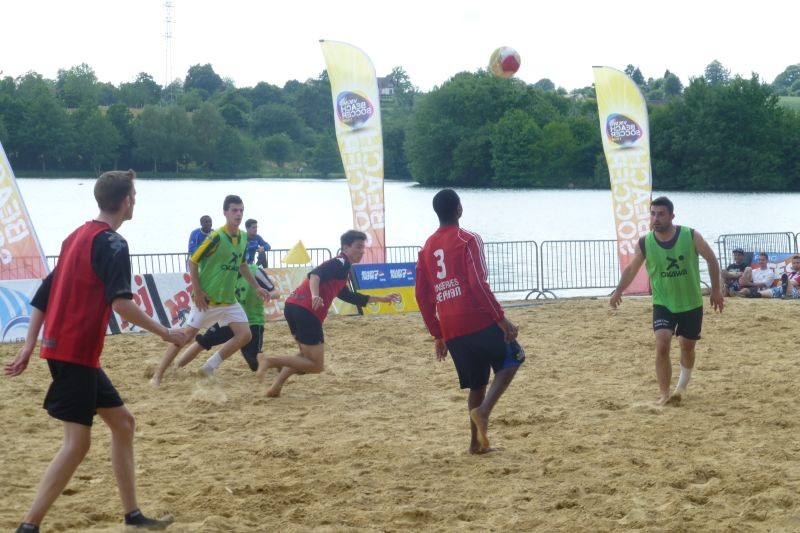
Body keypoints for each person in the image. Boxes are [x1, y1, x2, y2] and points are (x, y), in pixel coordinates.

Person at [4, 170, 187, 533]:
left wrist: (31, 344)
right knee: (76, 445)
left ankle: (133, 515)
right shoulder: (114, 245)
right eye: (134, 195)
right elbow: (121, 304)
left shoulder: (77, 236)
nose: (135, 200)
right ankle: (29, 525)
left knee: (123, 423)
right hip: (74, 353)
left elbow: (42, 294)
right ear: (127, 201)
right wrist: (166, 332)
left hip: (71, 352)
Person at [415, 189, 524, 455]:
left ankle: (476, 444)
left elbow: (422, 294)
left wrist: (438, 333)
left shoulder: (426, 247)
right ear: (459, 209)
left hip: (451, 326)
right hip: (475, 317)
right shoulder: (467, 239)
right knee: (514, 357)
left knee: (477, 382)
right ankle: (484, 412)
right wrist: (500, 317)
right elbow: (477, 283)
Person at [255, 230, 400, 397]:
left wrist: (382, 299)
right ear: (345, 247)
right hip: (307, 310)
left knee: (304, 356)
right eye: (358, 247)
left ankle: (276, 387)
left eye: (363, 247)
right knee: (316, 365)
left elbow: (351, 297)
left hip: (293, 307)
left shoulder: (342, 271)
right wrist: (315, 295)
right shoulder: (340, 262)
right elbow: (315, 275)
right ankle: (269, 360)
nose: (362, 251)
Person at [610, 196, 724, 406]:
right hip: (663, 303)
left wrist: (716, 290)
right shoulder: (645, 242)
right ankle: (664, 393)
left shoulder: (690, 235)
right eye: (653, 214)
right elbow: (631, 269)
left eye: (661, 214)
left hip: (691, 302)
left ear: (672, 216)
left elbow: (711, 259)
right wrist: (618, 291)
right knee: (662, 344)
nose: (656, 218)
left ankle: (681, 387)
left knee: (687, 347)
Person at [150, 195, 270, 388]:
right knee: (185, 337)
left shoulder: (243, 238)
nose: (238, 214)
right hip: (208, 299)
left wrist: (257, 287)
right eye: (234, 210)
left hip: (229, 300)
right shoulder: (216, 236)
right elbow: (193, 260)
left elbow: (243, 265)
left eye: (241, 210)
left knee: (245, 335)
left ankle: (209, 366)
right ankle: (157, 375)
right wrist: (197, 291)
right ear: (225, 212)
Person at [173, 265, 278, 372]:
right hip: (229, 317)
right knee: (203, 341)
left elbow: (276, 293)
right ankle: (175, 368)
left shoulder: (255, 271)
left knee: (254, 363)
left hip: (253, 321)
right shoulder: (225, 271)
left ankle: (280, 363)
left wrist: (267, 295)